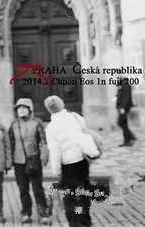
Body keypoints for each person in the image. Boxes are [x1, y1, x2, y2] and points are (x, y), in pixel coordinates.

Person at [44, 95, 101, 227]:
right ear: (62, 104)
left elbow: (55, 151)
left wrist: (56, 170)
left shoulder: (51, 127)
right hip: (81, 162)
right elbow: (84, 136)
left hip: (67, 167)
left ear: (49, 110)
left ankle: (74, 223)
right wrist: (93, 152)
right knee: (82, 194)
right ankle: (85, 220)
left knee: (70, 197)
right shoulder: (74, 117)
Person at [9, 98, 51, 225]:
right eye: (18, 108)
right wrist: (9, 160)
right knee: (23, 189)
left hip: (34, 160)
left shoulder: (37, 122)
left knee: (37, 189)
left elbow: (43, 141)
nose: (21, 110)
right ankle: (26, 213)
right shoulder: (14, 124)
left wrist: (43, 156)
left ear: (29, 109)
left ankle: (43, 213)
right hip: (18, 162)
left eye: (23, 108)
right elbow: (10, 143)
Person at [116, 77, 136, 146]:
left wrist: (122, 108)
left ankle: (129, 139)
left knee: (121, 123)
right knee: (123, 124)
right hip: (122, 108)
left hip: (123, 108)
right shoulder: (122, 86)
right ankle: (130, 138)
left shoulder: (126, 86)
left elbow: (125, 98)